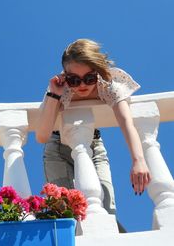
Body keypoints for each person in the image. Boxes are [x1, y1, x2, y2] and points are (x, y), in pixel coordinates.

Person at [35, 39, 151, 218]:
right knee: (64, 212)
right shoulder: (60, 87)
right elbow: (42, 136)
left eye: (89, 78)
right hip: (57, 146)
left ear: (98, 72)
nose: (82, 85)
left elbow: (126, 122)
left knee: (106, 208)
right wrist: (54, 95)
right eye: (74, 79)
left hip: (93, 143)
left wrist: (138, 160)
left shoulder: (108, 84)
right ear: (65, 75)